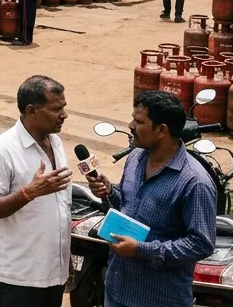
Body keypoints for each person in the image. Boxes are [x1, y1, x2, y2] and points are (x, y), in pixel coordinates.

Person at [86, 90, 217, 307]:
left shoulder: (195, 182)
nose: (130, 126)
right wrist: (109, 192)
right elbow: (127, 206)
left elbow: (201, 244)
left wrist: (141, 249)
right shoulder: (136, 157)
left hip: (158, 298)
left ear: (161, 130)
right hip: (117, 289)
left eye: (139, 122)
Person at [0, 76, 73, 307]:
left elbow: (60, 207)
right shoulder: (3, 150)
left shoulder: (56, 142)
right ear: (32, 111)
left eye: (63, 107)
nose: (64, 115)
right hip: (18, 277)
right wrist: (29, 193)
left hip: (53, 271)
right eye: (56, 109)